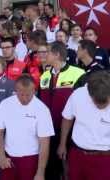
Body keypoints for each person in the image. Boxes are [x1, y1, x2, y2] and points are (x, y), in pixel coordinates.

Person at [0, 74, 55, 180]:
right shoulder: (5, 104)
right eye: (21, 94)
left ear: (34, 91)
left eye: (28, 95)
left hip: (31, 160)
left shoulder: (42, 109)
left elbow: (44, 143)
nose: (25, 98)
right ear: (15, 90)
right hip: (9, 158)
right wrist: (1, 157)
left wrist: (40, 172)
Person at [39, 41, 84, 180]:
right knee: (50, 169)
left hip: (70, 131)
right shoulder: (45, 75)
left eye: (48, 52)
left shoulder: (79, 73)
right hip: (48, 131)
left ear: (57, 55)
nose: (44, 55)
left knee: (69, 170)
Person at [58, 71, 110, 180]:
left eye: (104, 102)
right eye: (97, 102)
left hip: (105, 158)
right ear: (89, 94)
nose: (100, 106)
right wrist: (62, 144)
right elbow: (67, 118)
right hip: (77, 155)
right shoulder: (78, 94)